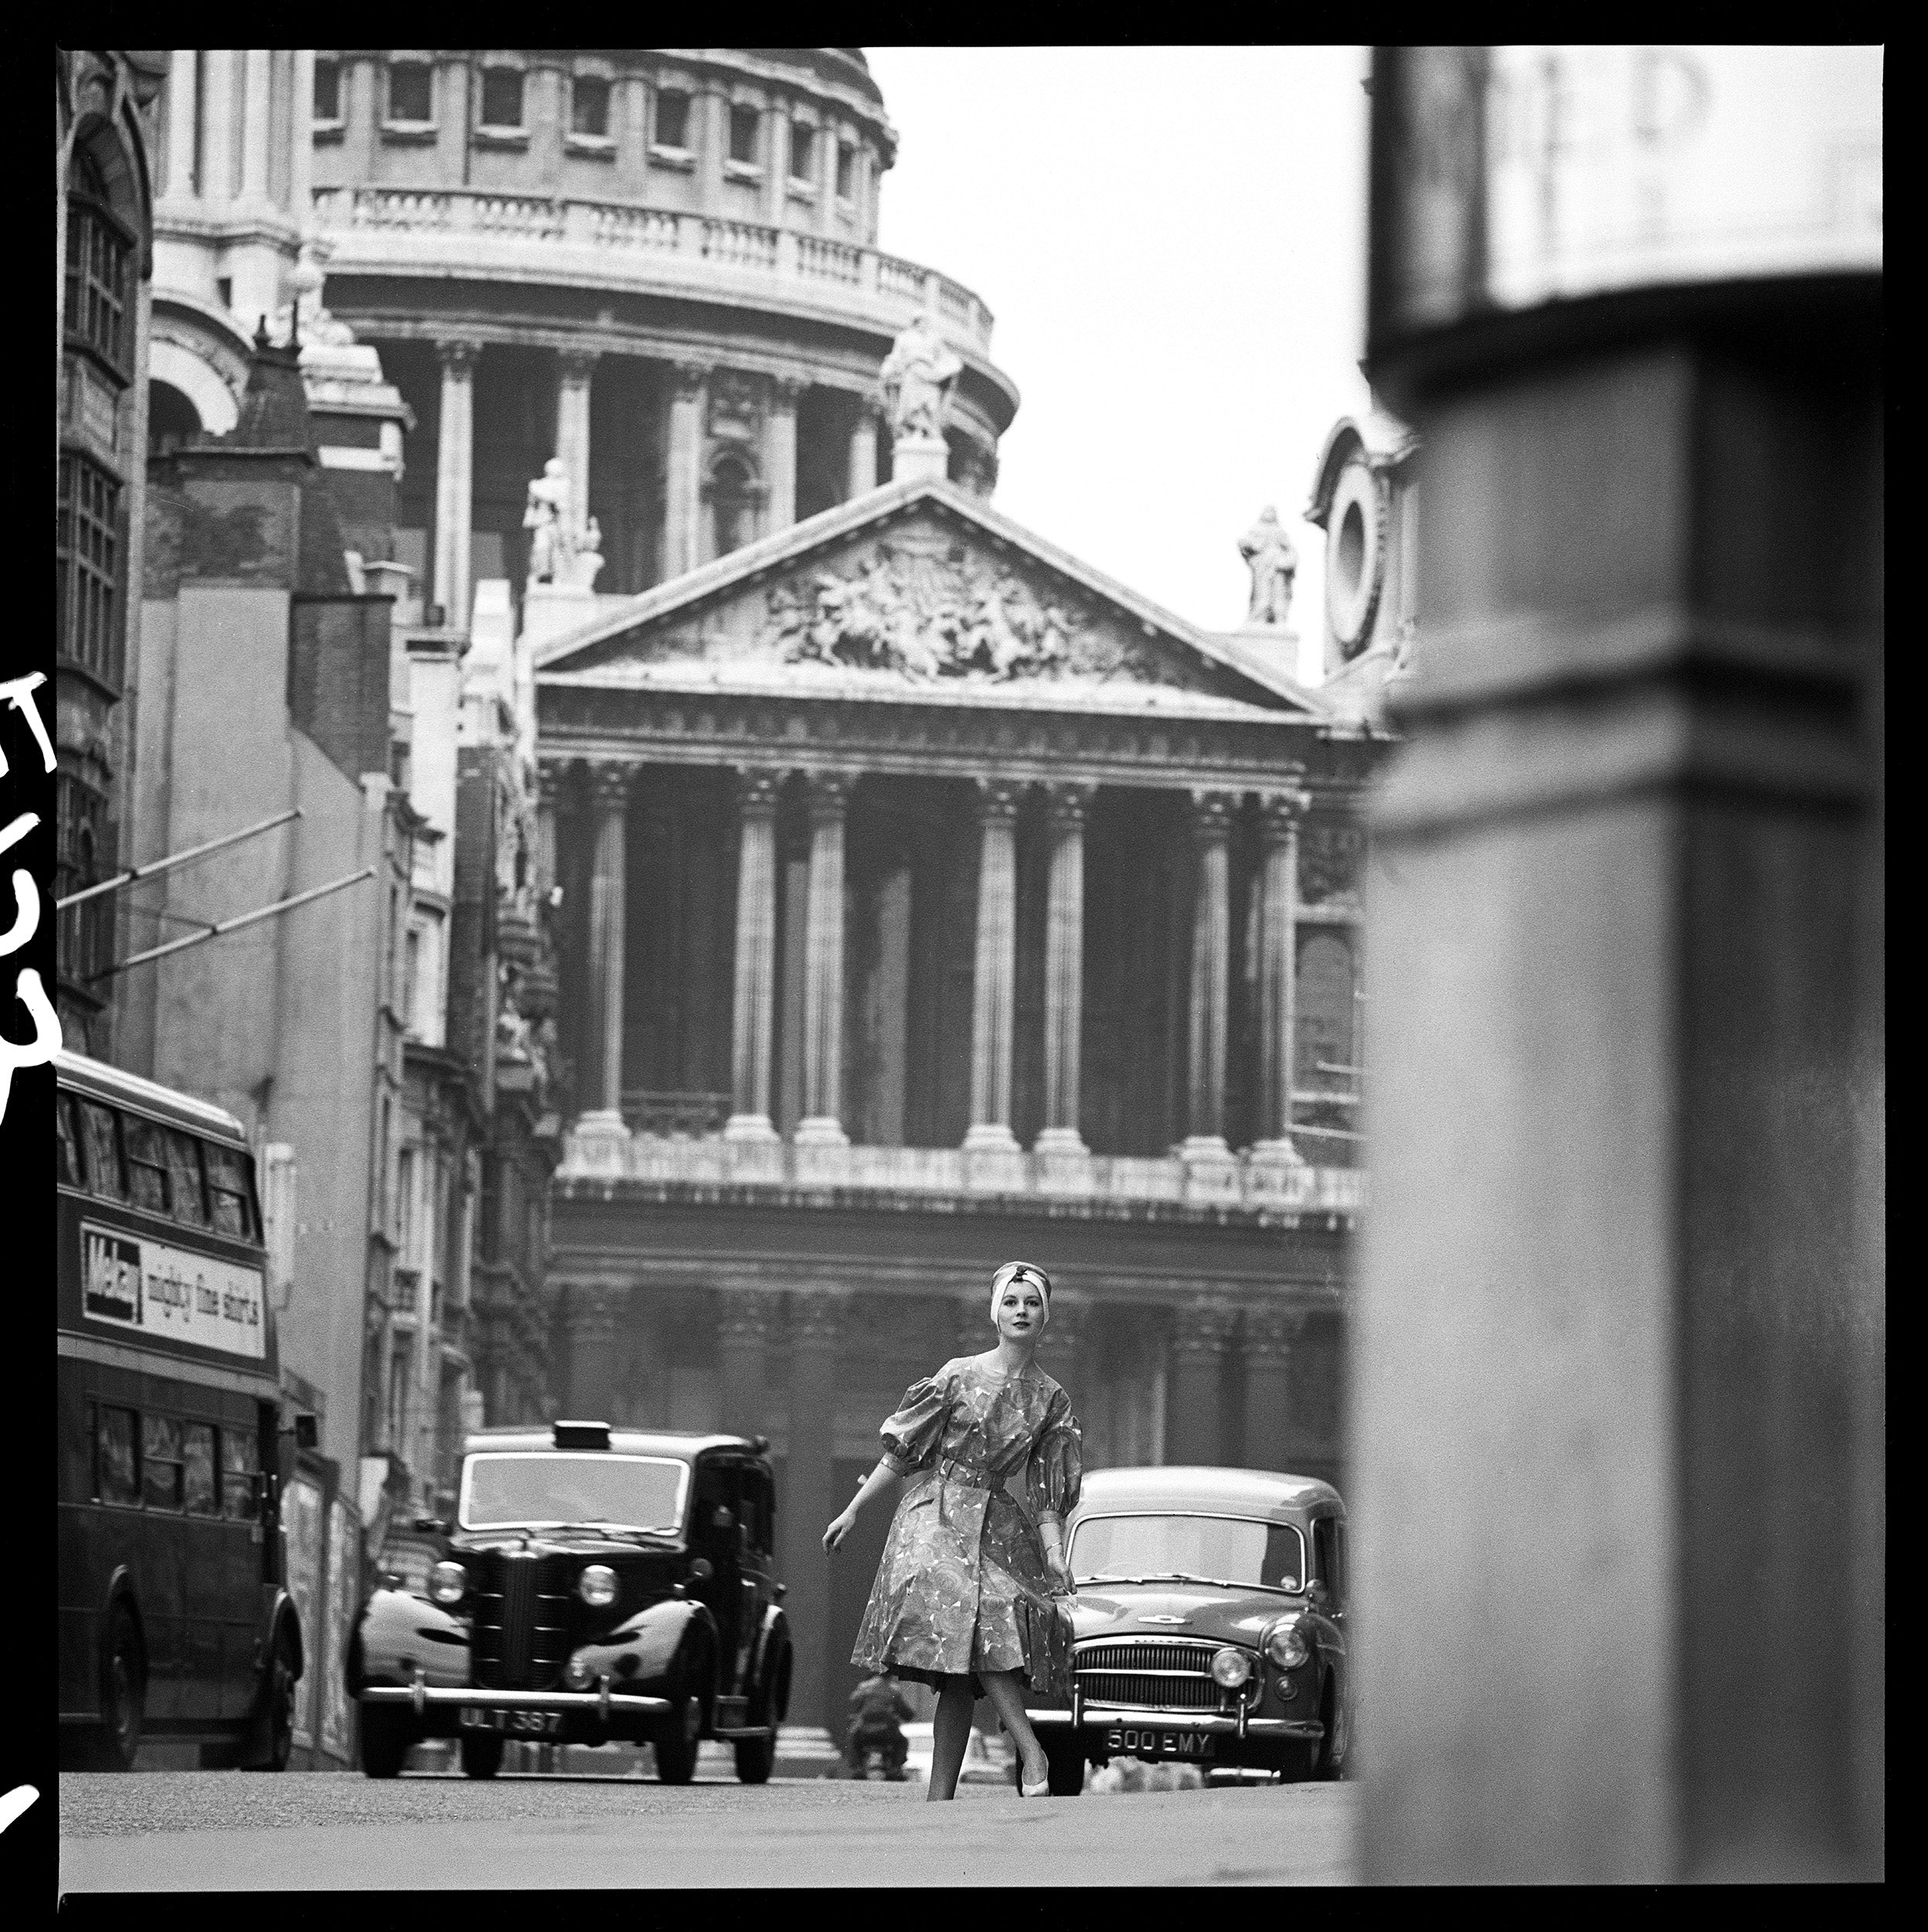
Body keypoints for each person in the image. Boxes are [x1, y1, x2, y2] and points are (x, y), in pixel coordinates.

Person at [825, 1260, 1082, 1801]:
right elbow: (901, 1454)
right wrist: (853, 1510)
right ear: (995, 1312)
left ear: (1044, 1315)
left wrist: (1056, 1555)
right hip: (935, 1511)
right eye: (1011, 1302)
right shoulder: (957, 1375)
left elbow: (1045, 1495)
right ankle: (1031, 1750)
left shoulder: (1051, 1398)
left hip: (996, 1519)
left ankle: (938, 1802)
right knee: (983, 1616)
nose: (1020, 1311)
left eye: (1031, 1303)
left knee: (964, 1665)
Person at [843, 1671, 913, 1779]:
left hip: (865, 1733)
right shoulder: (894, 1689)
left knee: (852, 1739)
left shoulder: (864, 1687)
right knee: (902, 1742)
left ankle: (857, 1767)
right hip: (887, 1733)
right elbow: (905, 1712)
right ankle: (895, 1768)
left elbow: (853, 1703)